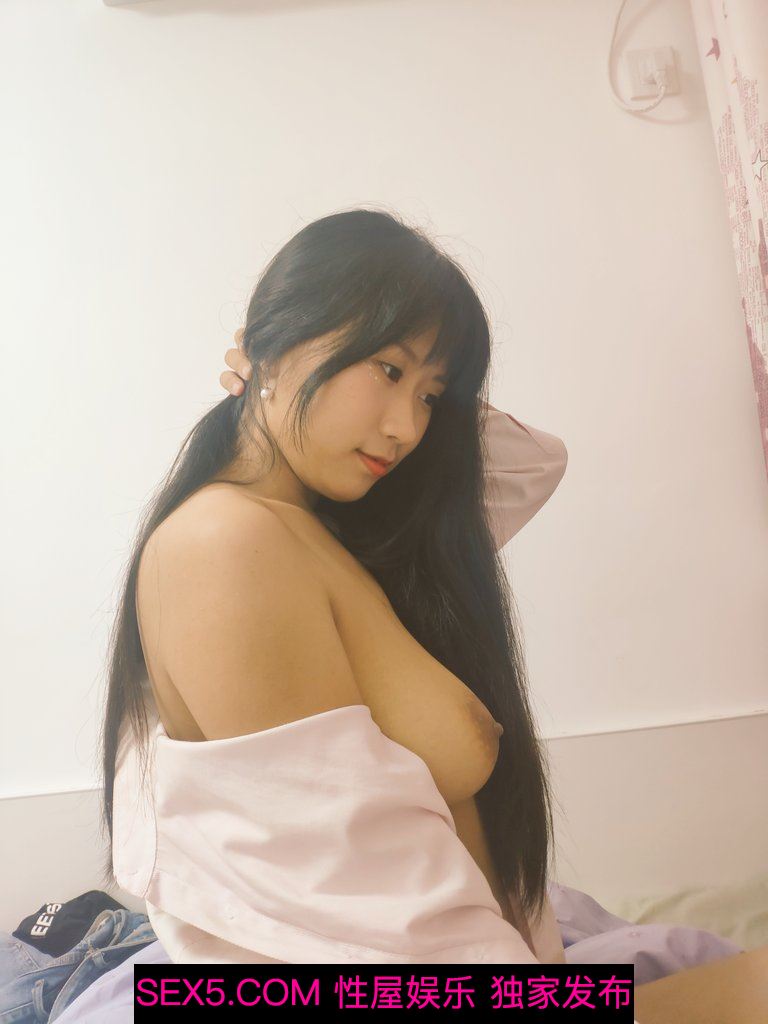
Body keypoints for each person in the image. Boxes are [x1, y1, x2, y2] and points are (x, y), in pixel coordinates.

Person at [102, 207, 571, 964]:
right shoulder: (228, 545)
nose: (407, 428)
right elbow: (356, 912)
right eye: (389, 370)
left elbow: (536, 463)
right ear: (273, 339)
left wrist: (292, 372)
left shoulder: (339, 535)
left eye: (430, 396)